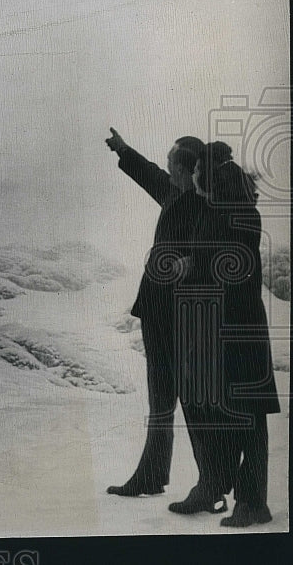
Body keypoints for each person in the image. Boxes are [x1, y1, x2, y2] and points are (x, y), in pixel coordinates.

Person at [169, 142, 280, 526]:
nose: (193, 176)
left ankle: (253, 502)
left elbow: (230, 269)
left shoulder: (239, 215)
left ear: (211, 176)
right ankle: (216, 487)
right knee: (219, 412)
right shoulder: (221, 212)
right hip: (222, 331)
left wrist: (193, 265)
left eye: (198, 170)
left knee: (248, 419)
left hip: (239, 332)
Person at [104, 128, 205, 497]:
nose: (165, 167)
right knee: (161, 399)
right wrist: (124, 149)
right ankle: (151, 477)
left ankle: (211, 482)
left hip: (183, 314)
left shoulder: (203, 203)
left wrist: (191, 263)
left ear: (186, 169)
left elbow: (215, 253)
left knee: (193, 402)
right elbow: (148, 173)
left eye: (170, 163)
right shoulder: (173, 192)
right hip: (158, 310)